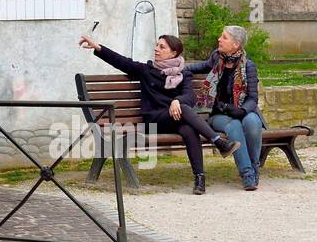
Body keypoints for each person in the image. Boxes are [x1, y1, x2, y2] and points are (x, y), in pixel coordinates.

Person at [79, 33, 240, 195]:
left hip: (174, 120)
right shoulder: (146, 70)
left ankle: (200, 178)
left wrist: (177, 100)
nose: (156, 49)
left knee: (189, 130)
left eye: (162, 47)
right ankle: (219, 142)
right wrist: (98, 47)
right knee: (184, 110)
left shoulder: (183, 74)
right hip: (153, 120)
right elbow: (121, 61)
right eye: (157, 45)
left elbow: (190, 96)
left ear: (174, 53)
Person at [186, 25, 264, 191]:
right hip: (219, 114)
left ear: (236, 44)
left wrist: (242, 110)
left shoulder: (248, 66)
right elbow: (199, 67)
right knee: (234, 125)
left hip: (242, 110)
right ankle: (247, 174)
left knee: (253, 123)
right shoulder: (216, 58)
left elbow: (253, 98)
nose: (219, 40)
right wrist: (179, 68)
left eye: (224, 37)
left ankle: (254, 168)